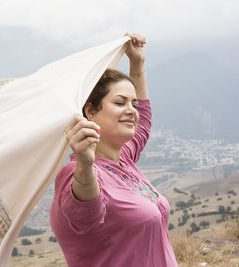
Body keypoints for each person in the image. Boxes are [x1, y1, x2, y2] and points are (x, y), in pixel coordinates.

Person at [49, 33, 178, 267]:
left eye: (133, 104)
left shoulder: (124, 160)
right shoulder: (75, 172)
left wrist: (137, 65)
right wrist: (85, 164)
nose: (132, 110)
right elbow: (85, 213)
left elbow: (144, 121)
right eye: (120, 103)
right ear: (90, 110)